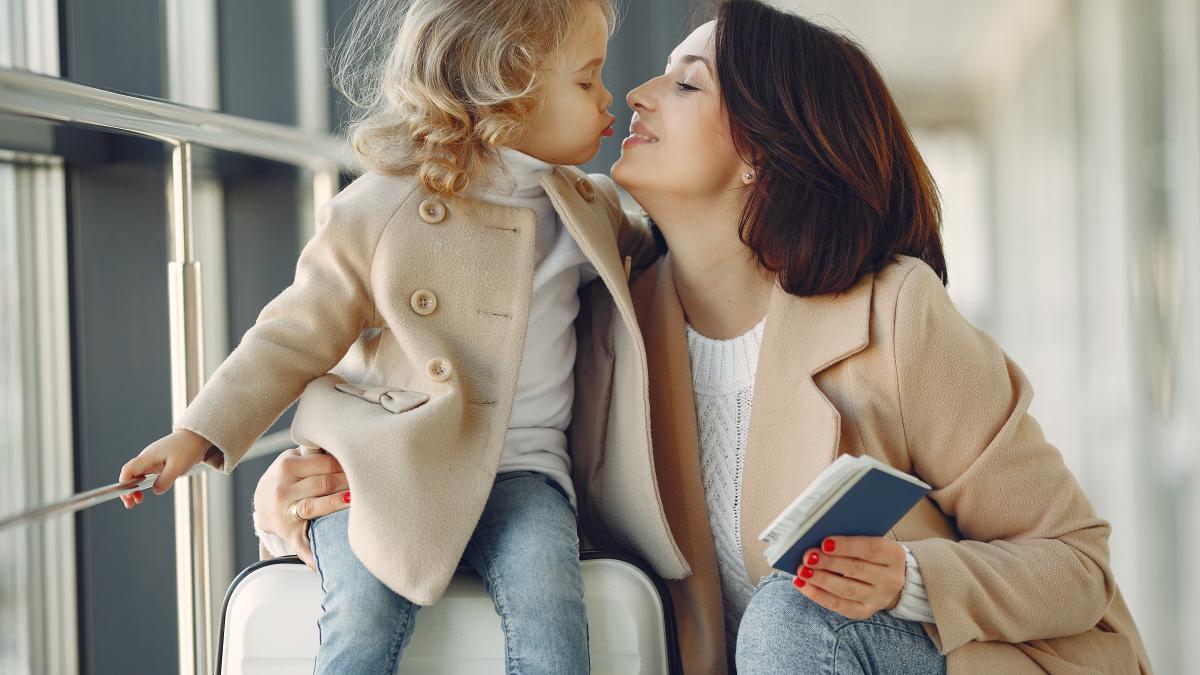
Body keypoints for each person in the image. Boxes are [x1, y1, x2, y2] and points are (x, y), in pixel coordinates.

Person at [254, 0, 1152, 672]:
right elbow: (480, 468)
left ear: (762, 152)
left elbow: (1077, 565)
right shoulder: (596, 318)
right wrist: (310, 494)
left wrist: (911, 578)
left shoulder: (896, 315)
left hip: (944, 658)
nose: (636, 93)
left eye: (686, 84)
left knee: (795, 614)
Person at [115, 0, 664, 671]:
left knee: (553, 620)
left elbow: (660, 259)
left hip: (526, 472)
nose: (609, 96)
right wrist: (197, 432)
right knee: (362, 620)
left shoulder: (587, 207)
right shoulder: (382, 206)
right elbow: (290, 334)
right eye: (585, 80)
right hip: (383, 466)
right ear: (505, 87)